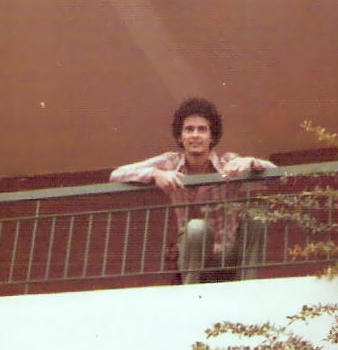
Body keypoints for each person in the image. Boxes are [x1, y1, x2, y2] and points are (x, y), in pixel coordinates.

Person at [110, 97, 276, 284]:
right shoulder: (170, 162)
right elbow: (117, 174)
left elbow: (276, 173)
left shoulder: (226, 162)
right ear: (180, 137)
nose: (195, 135)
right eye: (189, 129)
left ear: (212, 137)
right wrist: (155, 173)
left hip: (229, 257)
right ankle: (191, 293)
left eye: (202, 129)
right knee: (197, 227)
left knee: (254, 218)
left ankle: (248, 286)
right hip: (193, 258)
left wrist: (251, 162)